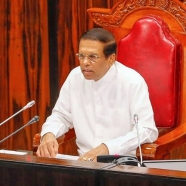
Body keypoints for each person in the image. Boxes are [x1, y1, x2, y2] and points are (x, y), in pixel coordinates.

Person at [36, 28, 158, 162]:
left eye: (92, 57)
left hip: (121, 164)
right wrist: (49, 133)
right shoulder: (75, 77)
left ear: (111, 59)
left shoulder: (132, 81)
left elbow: (146, 130)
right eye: (81, 56)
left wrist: (108, 147)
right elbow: (61, 115)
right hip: (83, 163)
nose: (85, 62)